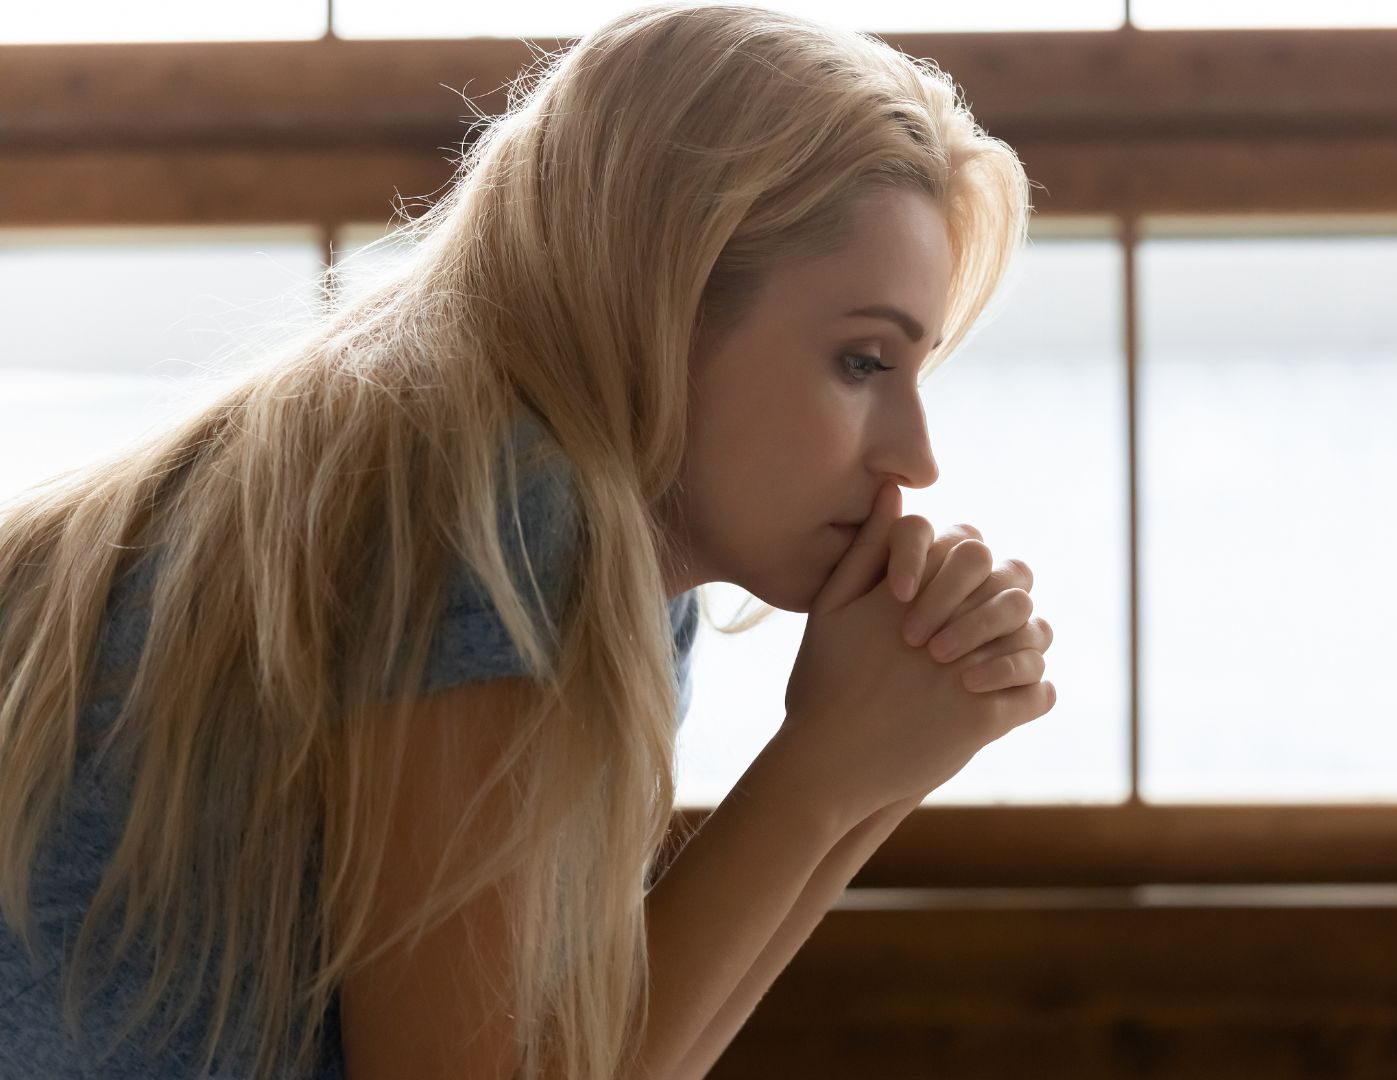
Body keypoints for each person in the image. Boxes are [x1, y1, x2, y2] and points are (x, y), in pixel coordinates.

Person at [0, 4, 1056, 1077]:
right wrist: (826, 771)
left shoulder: (616, 568)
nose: (915, 459)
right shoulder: (497, 511)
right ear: (663, 300)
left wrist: (865, 771)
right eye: (864, 362)